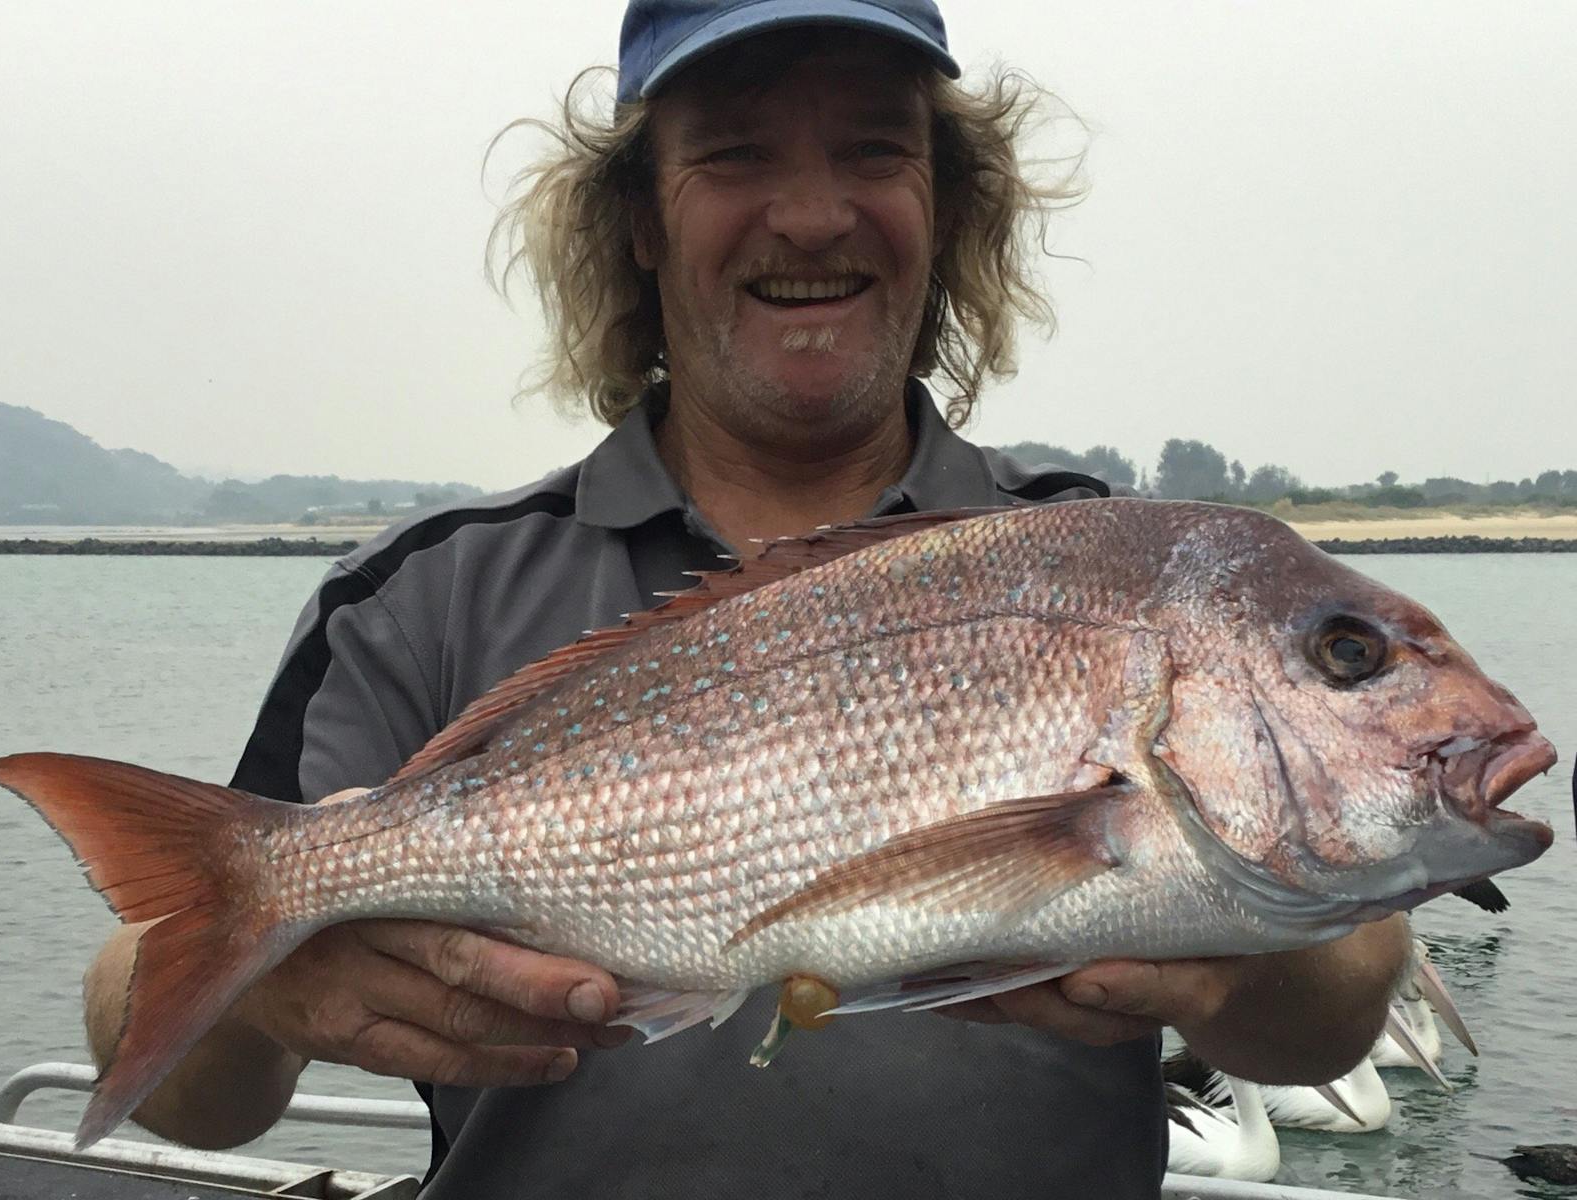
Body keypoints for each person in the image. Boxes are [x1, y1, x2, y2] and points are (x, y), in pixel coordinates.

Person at [82, 2, 1410, 1195]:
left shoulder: (1112, 561)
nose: (816, 213)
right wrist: (263, 996)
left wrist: (1233, 909)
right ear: (641, 221)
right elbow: (195, 1094)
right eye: (735, 152)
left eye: (875, 149)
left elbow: (1335, 1019)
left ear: (946, 205)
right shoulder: (422, 595)